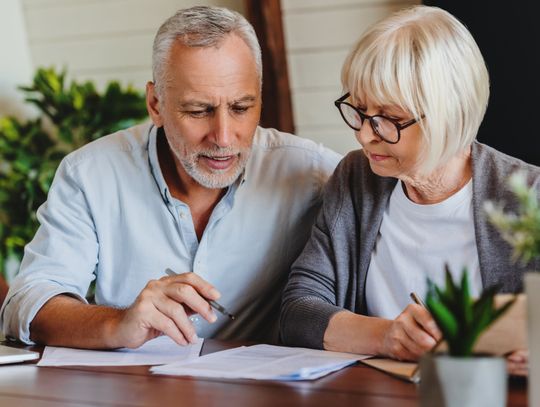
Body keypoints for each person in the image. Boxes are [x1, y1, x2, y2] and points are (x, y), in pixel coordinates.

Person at [0, 6, 341, 349]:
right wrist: (118, 324)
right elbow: (26, 302)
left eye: (241, 108)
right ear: (155, 104)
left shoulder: (311, 173)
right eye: (198, 110)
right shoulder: (89, 174)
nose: (223, 137)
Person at [280, 5, 540, 365]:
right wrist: (386, 336)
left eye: (388, 119)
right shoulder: (356, 179)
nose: (364, 135)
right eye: (359, 110)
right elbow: (298, 311)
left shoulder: (529, 196)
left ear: (450, 114)